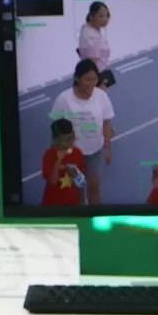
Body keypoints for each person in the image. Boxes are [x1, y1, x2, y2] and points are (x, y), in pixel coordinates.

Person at [53, 59, 116, 205]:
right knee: (78, 188)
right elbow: (56, 129)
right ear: (77, 78)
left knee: (94, 185)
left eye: (95, 79)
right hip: (73, 155)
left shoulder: (101, 96)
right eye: (87, 79)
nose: (92, 83)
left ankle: (95, 215)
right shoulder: (64, 99)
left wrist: (107, 148)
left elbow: (107, 123)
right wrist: (58, 155)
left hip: (94, 151)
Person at [41, 119, 90, 207]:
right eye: (65, 140)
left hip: (72, 204)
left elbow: (80, 182)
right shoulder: (49, 155)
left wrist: (82, 201)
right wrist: (58, 161)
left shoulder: (77, 153)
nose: (70, 143)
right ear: (55, 140)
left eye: (71, 138)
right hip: (52, 205)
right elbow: (52, 181)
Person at [76, 0, 116, 88]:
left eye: (107, 16)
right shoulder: (92, 37)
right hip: (97, 78)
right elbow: (92, 63)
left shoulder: (89, 29)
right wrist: (100, 82)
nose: (105, 19)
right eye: (101, 16)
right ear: (92, 16)